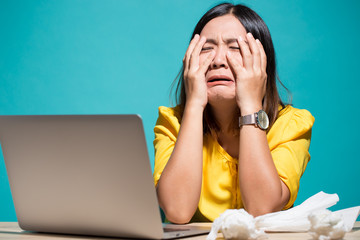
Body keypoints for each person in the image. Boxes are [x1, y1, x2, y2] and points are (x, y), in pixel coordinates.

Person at [153, 3, 315, 224]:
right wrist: (193, 105)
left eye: (236, 47)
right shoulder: (172, 122)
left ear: (262, 62)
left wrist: (250, 105)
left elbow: (261, 209)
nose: (218, 61)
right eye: (206, 48)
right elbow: (177, 211)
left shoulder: (293, 124)